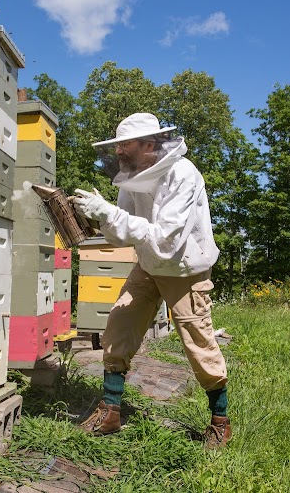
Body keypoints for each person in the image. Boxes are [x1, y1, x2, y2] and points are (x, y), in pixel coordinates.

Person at [72, 112, 231, 449]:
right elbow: (120, 236)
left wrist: (111, 214)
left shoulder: (183, 175)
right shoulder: (131, 178)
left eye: (125, 144)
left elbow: (166, 238)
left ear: (148, 144)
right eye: (116, 146)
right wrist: (100, 216)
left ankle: (220, 423)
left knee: (198, 341)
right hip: (148, 265)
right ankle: (110, 412)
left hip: (185, 269)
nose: (118, 153)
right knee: (118, 326)